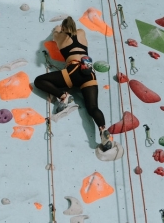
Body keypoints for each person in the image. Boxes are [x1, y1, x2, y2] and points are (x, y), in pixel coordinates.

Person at [34, 16, 112, 150]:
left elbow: (55, 32)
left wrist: (58, 29)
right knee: (93, 107)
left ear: (63, 28)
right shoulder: (81, 33)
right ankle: (103, 129)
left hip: (73, 71)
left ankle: (63, 96)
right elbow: (73, 30)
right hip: (88, 73)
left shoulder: (60, 36)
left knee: (39, 80)